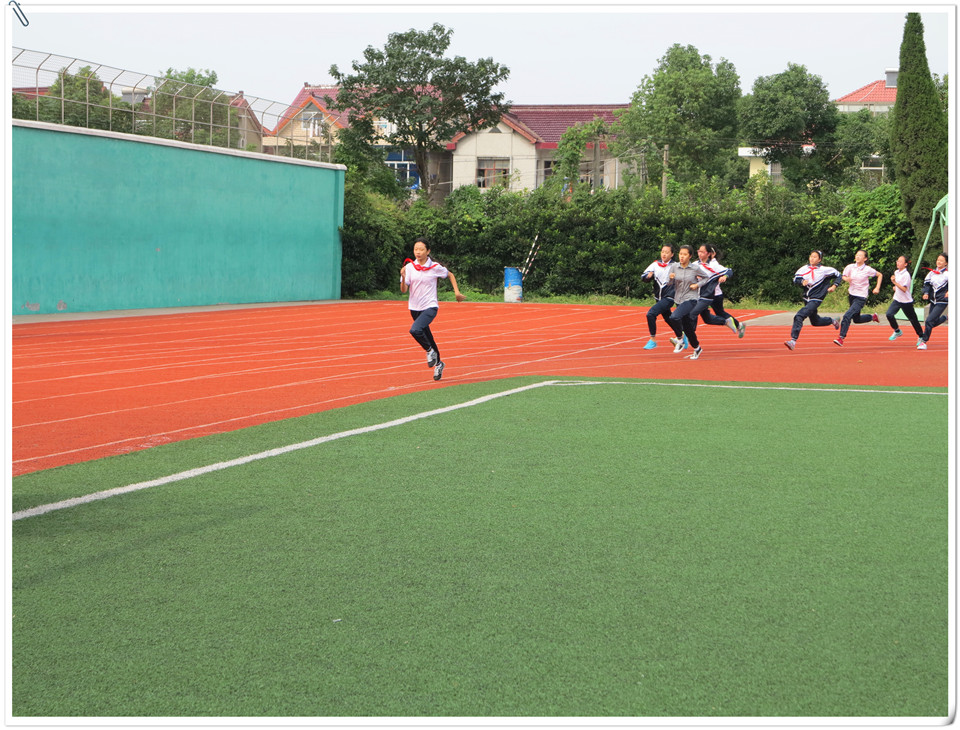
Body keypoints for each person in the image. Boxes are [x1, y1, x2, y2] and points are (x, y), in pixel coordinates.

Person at [400, 237, 465, 380]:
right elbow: (404, 290)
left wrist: (457, 292)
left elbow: (450, 275)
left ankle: (429, 351)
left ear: (428, 251)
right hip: (414, 308)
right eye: (416, 249)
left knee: (415, 330)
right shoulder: (409, 268)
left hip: (430, 306)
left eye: (421, 249)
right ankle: (439, 364)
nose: (418, 252)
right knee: (428, 336)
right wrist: (403, 277)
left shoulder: (435, 267)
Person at [784, 250, 842, 351]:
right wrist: (802, 281)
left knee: (799, 315)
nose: (812, 258)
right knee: (815, 321)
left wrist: (834, 286)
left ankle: (793, 340)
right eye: (811, 256)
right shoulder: (804, 268)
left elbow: (838, 275)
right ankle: (833, 321)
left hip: (816, 298)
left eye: (815, 257)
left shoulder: (825, 270)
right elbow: (795, 279)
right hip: (807, 298)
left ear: (819, 259)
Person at [693, 244, 746, 339]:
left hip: (715, 294)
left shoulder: (714, 265)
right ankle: (736, 324)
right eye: (698, 251)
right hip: (702, 295)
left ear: (709, 254)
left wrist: (725, 276)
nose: (699, 254)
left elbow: (729, 271)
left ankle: (686, 336)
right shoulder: (696, 264)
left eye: (702, 252)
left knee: (718, 313)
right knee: (707, 318)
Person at [833, 249, 882, 347]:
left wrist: (877, 287)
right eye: (857, 255)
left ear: (865, 258)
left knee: (847, 316)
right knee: (856, 319)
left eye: (860, 255)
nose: (857, 256)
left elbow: (879, 275)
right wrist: (847, 279)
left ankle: (841, 338)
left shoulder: (867, 269)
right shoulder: (850, 267)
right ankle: (872, 317)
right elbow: (843, 276)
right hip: (852, 295)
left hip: (861, 297)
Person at [640, 244, 684, 349]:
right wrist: (648, 277)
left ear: (672, 254)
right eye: (662, 252)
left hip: (669, 296)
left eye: (667, 252)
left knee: (651, 314)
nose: (664, 254)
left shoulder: (675, 266)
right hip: (658, 297)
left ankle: (652, 340)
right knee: (668, 318)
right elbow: (643, 276)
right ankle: (682, 336)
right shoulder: (655, 264)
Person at [668, 244, 707, 360]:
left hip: (691, 298)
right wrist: (670, 278)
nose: (682, 256)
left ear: (690, 256)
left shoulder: (694, 268)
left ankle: (680, 340)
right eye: (680, 254)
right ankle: (697, 348)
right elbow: (669, 283)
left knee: (674, 317)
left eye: (685, 254)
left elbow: (706, 277)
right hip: (678, 299)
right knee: (687, 327)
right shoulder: (674, 267)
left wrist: (697, 285)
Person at [885, 254, 924, 343]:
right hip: (897, 299)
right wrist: (895, 287)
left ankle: (921, 336)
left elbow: (904, 289)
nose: (898, 263)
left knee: (913, 319)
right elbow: (898, 287)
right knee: (889, 314)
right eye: (897, 261)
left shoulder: (906, 275)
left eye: (900, 261)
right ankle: (897, 331)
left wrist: (895, 283)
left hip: (906, 301)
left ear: (905, 264)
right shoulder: (896, 272)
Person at [917, 252, 948, 351]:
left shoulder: (948, 274)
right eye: (938, 260)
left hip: (942, 301)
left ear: (946, 263)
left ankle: (923, 341)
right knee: (931, 322)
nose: (939, 262)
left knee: (929, 321)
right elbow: (927, 285)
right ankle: (945, 318)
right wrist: (926, 293)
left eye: (941, 261)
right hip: (933, 301)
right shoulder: (931, 273)